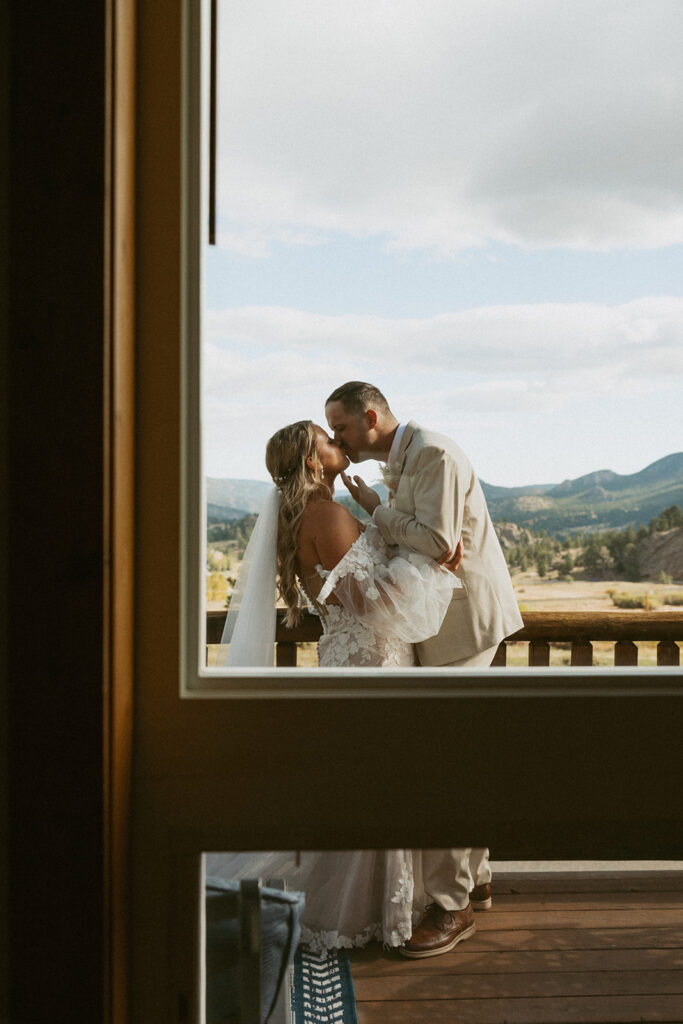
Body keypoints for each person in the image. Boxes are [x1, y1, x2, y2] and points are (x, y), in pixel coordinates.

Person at [213, 418, 464, 953]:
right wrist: (432, 564)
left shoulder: (314, 512)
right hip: (372, 659)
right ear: (311, 460)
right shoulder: (324, 513)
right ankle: (363, 911)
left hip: (357, 655)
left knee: (371, 781)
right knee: (381, 781)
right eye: (327, 440)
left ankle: (376, 902)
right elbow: (373, 602)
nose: (337, 443)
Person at [325, 381, 524, 959]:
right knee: (455, 751)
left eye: (340, 428)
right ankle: (476, 879)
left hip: (464, 625)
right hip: (440, 623)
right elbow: (427, 543)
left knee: (444, 760)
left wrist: (376, 512)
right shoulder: (404, 459)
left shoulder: (432, 453)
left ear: (370, 416)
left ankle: (452, 905)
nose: (338, 439)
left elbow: (437, 543)